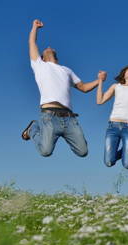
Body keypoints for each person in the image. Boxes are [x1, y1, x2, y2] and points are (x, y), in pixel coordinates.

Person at [22, 19, 107, 158]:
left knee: (83, 151)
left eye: (51, 47)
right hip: (49, 116)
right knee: (45, 151)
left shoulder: (66, 70)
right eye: (46, 48)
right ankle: (33, 128)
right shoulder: (39, 65)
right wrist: (34, 28)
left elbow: (84, 87)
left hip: (69, 118)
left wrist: (99, 80)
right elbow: (32, 43)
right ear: (42, 57)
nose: (49, 46)